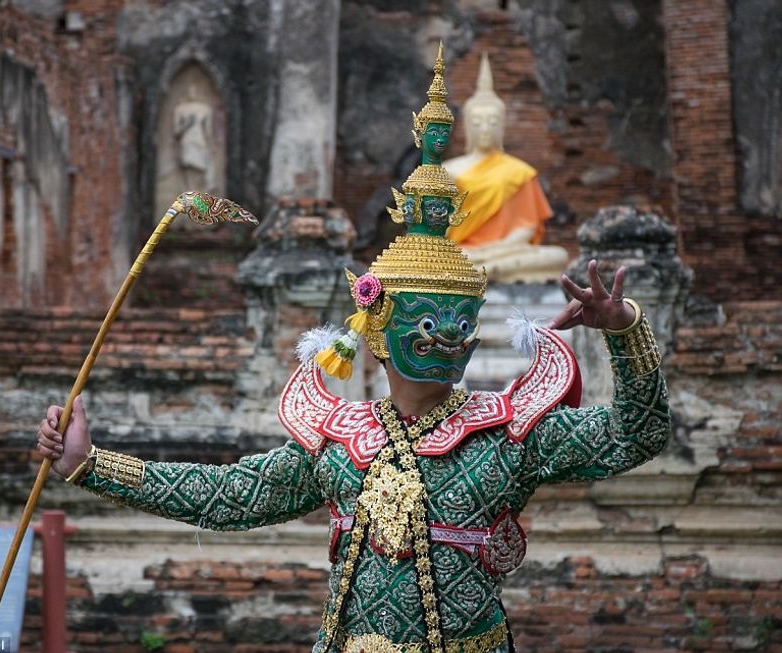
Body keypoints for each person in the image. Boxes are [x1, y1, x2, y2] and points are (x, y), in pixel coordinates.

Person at [36, 48, 670, 653]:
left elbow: (636, 434)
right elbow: (226, 495)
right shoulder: (341, 440)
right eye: (426, 319)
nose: (446, 336)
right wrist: (89, 464)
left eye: (459, 321)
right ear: (377, 328)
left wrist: (625, 331)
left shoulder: (510, 437)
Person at [442, 53, 568, 283]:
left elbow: (527, 229)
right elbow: (438, 227)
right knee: (440, 259)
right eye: (478, 123)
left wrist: (493, 251)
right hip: (459, 253)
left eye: (492, 122)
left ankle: (481, 269)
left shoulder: (519, 172)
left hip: (507, 253)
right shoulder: (448, 170)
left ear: (501, 127)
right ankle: (477, 269)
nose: (485, 129)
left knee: (558, 256)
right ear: (467, 127)